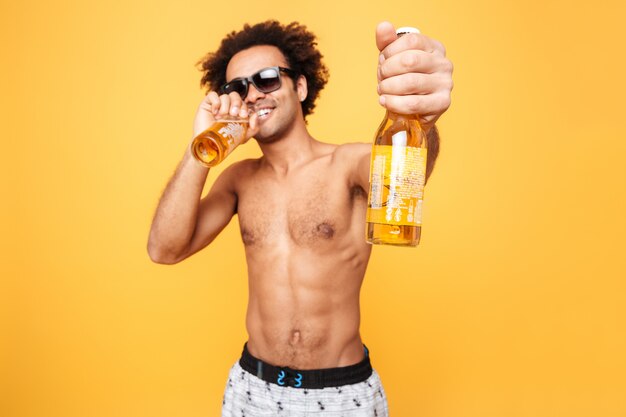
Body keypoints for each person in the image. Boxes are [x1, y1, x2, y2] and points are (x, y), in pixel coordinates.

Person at [148, 20, 453, 416]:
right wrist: (201, 145)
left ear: (301, 87)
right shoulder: (237, 180)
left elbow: (408, 173)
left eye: (268, 79)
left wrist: (422, 118)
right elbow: (164, 249)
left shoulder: (348, 165)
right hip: (252, 390)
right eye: (238, 88)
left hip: (343, 396)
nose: (254, 94)